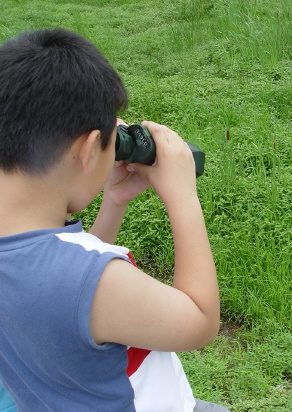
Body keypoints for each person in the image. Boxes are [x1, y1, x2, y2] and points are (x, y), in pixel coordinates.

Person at [0, 29, 228, 411]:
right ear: (89, 149)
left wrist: (114, 202)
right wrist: (182, 196)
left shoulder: (34, 255)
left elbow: (67, 298)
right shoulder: (95, 279)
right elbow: (200, 321)